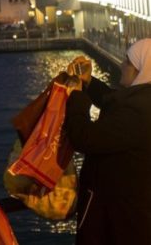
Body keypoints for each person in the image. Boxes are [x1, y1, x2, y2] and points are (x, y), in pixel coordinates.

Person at [63, 38, 151, 244]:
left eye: (127, 62)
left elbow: (84, 138)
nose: (122, 64)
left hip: (121, 219)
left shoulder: (137, 112)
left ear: (141, 68)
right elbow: (114, 102)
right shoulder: (142, 102)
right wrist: (89, 82)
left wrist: (76, 96)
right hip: (132, 211)